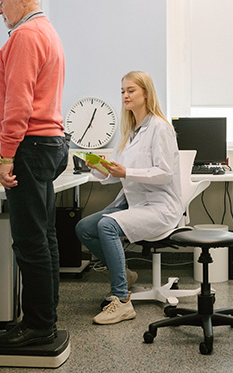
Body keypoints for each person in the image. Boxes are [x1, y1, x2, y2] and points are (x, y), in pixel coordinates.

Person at [0, 0, 68, 347]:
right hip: (46, 144)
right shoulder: (46, 31)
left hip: (29, 146)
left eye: (0, 1)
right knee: (44, 237)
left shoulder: (25, 36)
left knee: (30, 241)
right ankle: (42, 317)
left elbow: (18, 103)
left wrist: (5, 156)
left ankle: (38, 325)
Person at [75, 71, 182, 325]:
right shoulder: (130, 131)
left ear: (146, 93)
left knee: (107, 225)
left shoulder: (160, 127)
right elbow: (119, 174)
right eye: (122, 90)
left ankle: (122, 300)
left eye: (131, 90)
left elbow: (165, 174)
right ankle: (124, 273)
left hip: (160, 207)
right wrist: (99, 167)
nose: (125, 95)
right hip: (136, 203)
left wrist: (127, 171)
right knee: (84, 228)